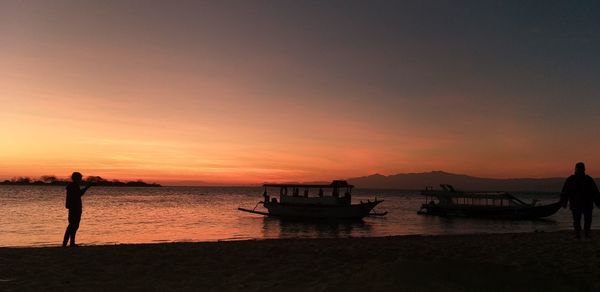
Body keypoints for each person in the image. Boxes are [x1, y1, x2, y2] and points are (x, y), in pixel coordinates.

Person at [561, 162, 600, 239]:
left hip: (587, 203)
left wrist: (598, 203)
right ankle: (578, 234)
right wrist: (564, 202)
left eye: (581, 169)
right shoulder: (571, 179)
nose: (580, 170)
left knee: (587, 220)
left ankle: (586, 233)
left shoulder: (588, 179)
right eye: (578, 169)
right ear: (575, 169)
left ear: (584, 169)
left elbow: (595, 192)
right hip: (575, 204)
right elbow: (565, 192)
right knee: (577, 220)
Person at [62, 172, 93, 247]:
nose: (81, 179)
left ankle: (70, 243)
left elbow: (78, 194)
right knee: (73, 225)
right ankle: (66, 243)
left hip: (75, 207)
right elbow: (79, 194)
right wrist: (87, 187)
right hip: (74, 207)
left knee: (74, 226)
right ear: (76, 178)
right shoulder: (73, 186)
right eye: (80, 178)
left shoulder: (73, 185)